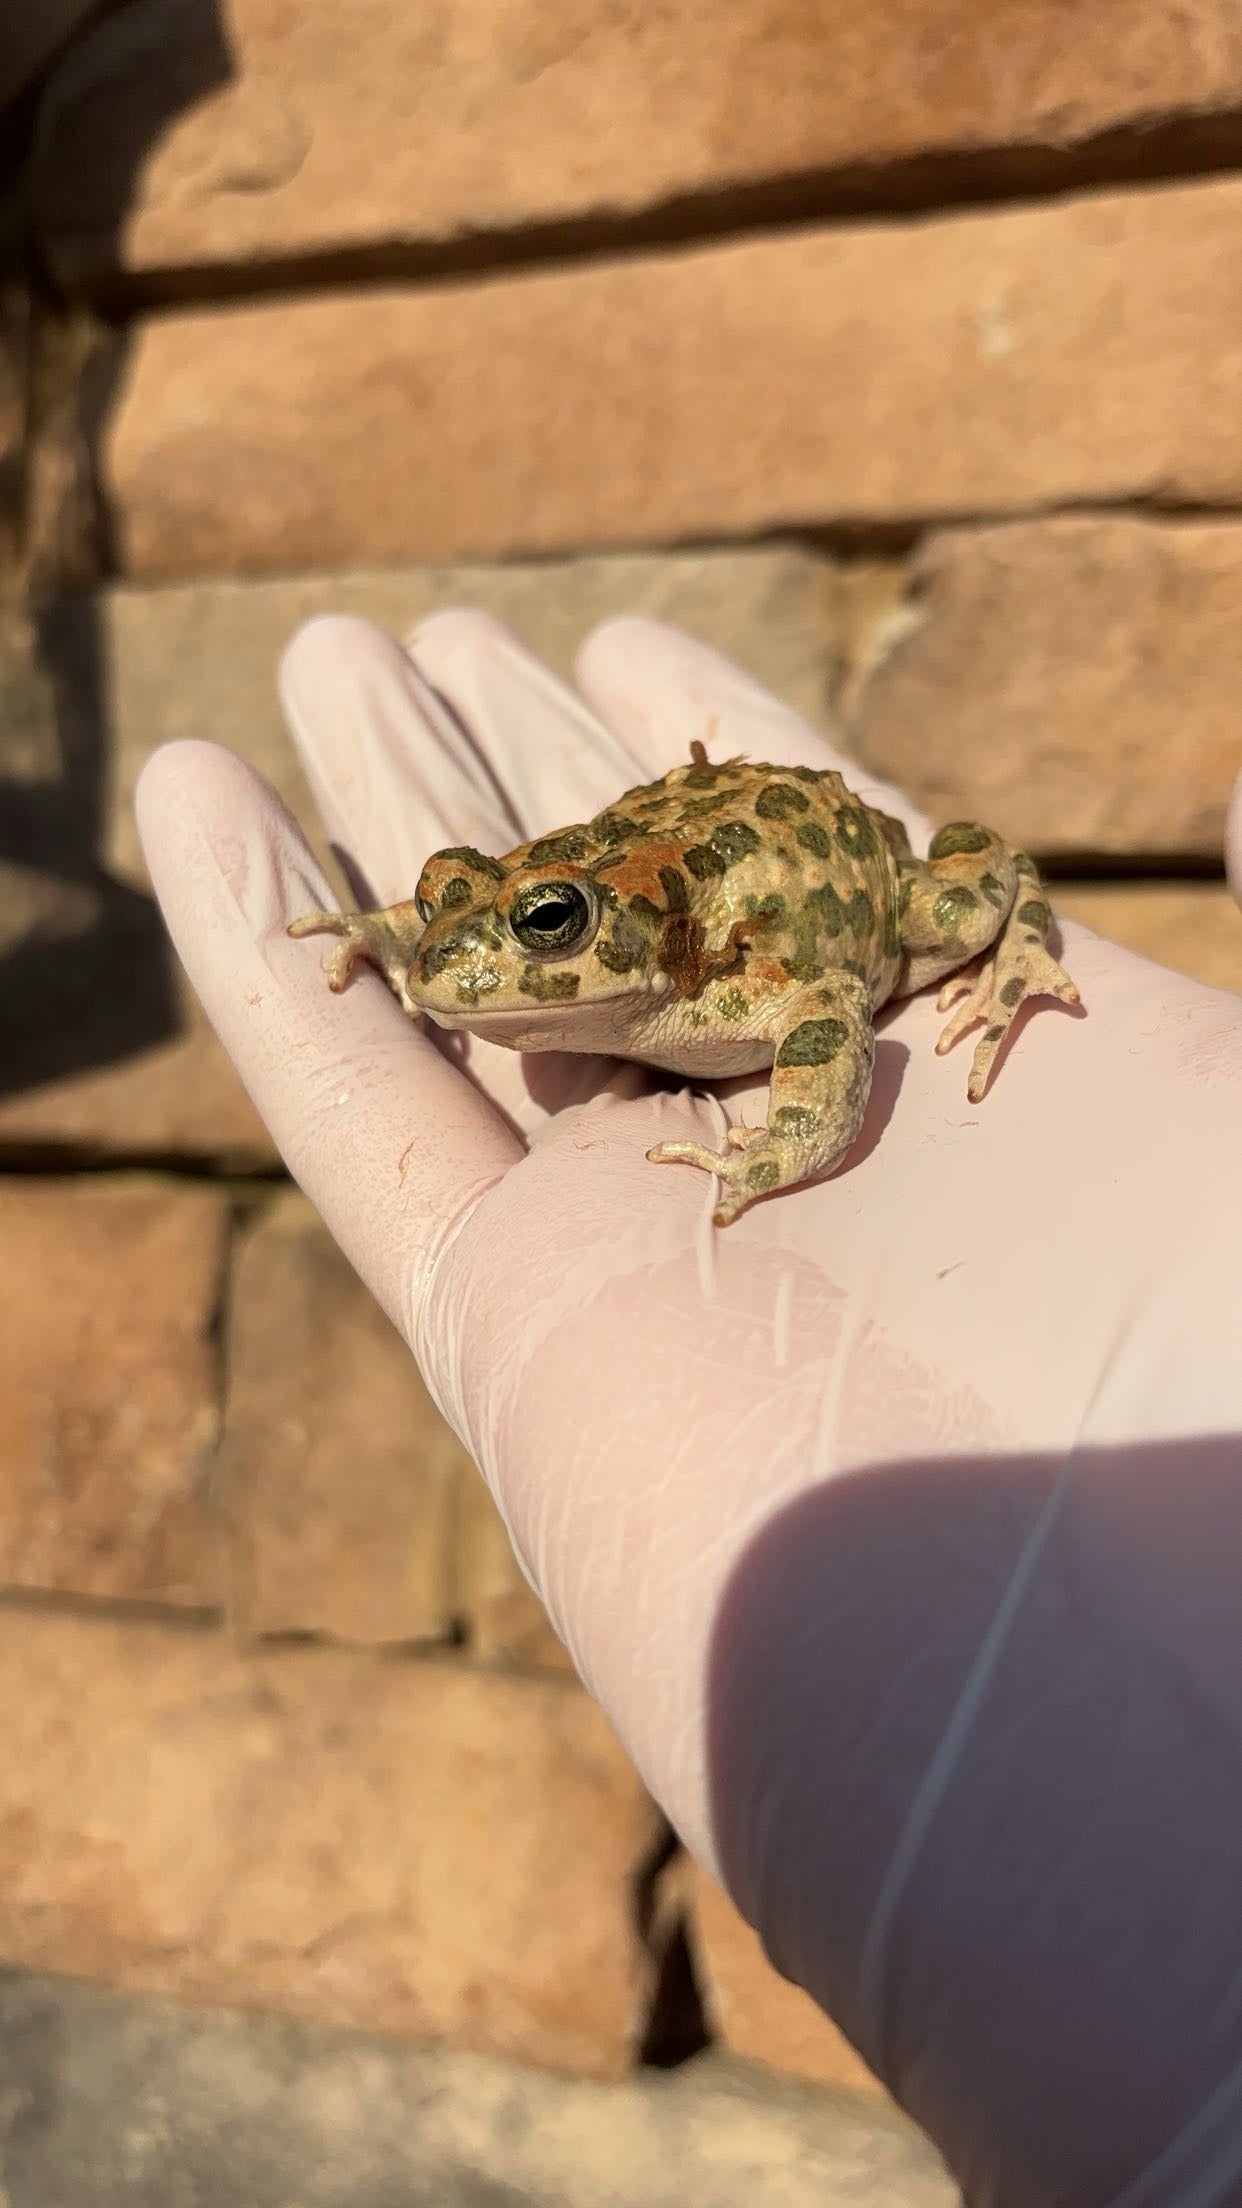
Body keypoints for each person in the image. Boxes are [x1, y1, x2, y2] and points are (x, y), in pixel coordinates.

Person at [137, 611, 1242, 2207]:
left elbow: (818, 1036)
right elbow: (472, 924)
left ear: (619, 931)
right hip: (670, 854)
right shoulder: (544, 945)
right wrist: (399, 933)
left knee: (963, 896)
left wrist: (781, 1138)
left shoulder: (718, 988)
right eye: (472, 922)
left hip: (805, 871)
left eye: (537, 927)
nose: (474, 969)